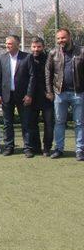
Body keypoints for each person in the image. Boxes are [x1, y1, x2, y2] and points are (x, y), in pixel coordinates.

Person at [45, 28, 84, 160]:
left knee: (79, 123)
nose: (61, 41)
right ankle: (59, 149)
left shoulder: (81, 51)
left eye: (63, 38)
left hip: (78, 93)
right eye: (59, 38)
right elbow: (48, 73)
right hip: (59, 93)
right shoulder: (53, 53)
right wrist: (50, 91)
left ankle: (80, 150)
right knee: (59, 122)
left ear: (69, 37)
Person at [0, 35, 34, 157]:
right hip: (6, 95)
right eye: (6, 43)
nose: (7, 45)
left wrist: (29, 94)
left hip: (22, 96)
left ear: (17, 44)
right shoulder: (1, 58)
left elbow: (32, 77)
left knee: (26, 122)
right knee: (7, 123)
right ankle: (9, 147)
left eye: (10, 44)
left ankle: (27, 148)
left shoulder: (27, 57)